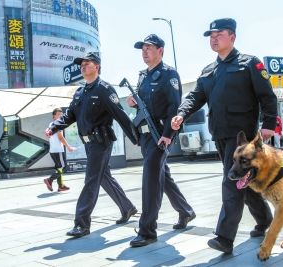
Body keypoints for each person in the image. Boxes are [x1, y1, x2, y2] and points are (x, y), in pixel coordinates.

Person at [171, 18, 277, 254]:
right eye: (211, 35)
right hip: (219, 134)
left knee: (231, 182)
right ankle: (264, 221)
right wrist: (181, 114)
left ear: (232, 37)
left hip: (242, 137)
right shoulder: (209, 70)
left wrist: (269, 123)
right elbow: (195, 96)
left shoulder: (249, 63)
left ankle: (224, 238)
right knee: (242, 181)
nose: (213, 38)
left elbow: (267, 95)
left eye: (218, 34)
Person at [45, 52, 139, 238]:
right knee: (103, 177)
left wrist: (138, 139)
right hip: (88, 143)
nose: (83, 66)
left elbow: (120, 114)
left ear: (97, 67)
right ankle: (127, 208)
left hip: (101, 142)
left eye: (87, 63)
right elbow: (69, 115)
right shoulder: (80, 92)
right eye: (81, 64)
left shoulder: (104, 89)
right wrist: (54, 127)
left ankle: (82, 223)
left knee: (91, 179)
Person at [127, 34, 196, 247]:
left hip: (161, 136)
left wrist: (168, 135)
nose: (145, 52)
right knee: (162, 176)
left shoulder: (169, 75)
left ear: (161, 50)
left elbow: (173, 107)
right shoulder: (142, 76)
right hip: (146, 136)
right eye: (142, 49)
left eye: (149, 48)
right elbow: (144, 105)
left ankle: (148, 231)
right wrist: (133, 103)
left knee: (150, 180)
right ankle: (186, 211)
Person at [44, 107, 75, 192]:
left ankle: (60, 186)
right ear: (53, 116)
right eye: (58, 115)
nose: (60, 116)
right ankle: (49, 180)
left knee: (59, 168)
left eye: (61, 115)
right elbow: (61, 138)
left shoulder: (51, 124)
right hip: (58, 151)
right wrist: (68, 147)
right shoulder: (58, 125)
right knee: (64, 168)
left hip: (53, 151)